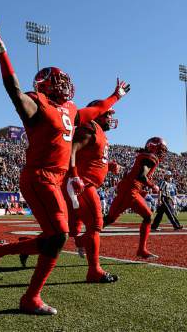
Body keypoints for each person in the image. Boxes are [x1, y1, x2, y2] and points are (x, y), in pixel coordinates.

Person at [0, 19, 130, 315]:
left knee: (54, 238)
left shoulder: (71, 110)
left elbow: (95, 110)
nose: (64, 84)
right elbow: (13, 89)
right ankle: (30, 298)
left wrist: (117, 96)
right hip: (38, 176)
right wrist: (2, 51)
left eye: (64, 80)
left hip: (56, 179)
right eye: (57, 80)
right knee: (60, 235)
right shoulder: (37, 103)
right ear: (44, 84)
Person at [64, 102, 121, 283]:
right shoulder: (90, 127)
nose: (110, 119)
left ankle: (8, 249)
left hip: (84, 184)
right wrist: (74, 176)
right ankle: (94, 271)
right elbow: (72, 150)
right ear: (96, 114)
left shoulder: (99, 132)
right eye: (107, 115)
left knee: (62, 232)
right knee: (96, 224)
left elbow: (92, 157)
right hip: (82, 185)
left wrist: (108, 165)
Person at [103, 137, 167, 259]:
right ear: (153, 147)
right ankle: (84, 239)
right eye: (160, 149)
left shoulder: (144, 156)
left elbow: (134, 175)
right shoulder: (150, 158)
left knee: (146, 216)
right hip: (129, 191)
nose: (162, 153)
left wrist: (140, 189)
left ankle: (142, 249)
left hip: (131, 190)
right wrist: (153, 186)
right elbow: (141, 176)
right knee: (110, 219)